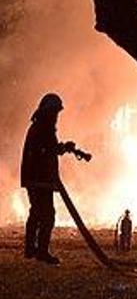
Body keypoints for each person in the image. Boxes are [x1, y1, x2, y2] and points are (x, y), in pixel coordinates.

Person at [20, 93, 78, 265]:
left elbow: (48, 149)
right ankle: (41, 252)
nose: (56, 116)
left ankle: (30, 249)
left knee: (36, 212)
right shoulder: (42, 128)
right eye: (54, 112)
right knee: (47, 215)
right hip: (39, 180)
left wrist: (63, 148)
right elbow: (46, 151)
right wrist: (62, 148)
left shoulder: (40, 127)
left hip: (37, 179)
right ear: (48, 111)